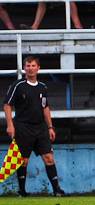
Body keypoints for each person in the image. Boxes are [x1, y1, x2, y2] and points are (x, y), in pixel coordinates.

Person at [3, 56, 66, 196]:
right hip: (23, 127)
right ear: (24, 68)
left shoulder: (42, 87)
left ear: (38, 68)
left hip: (40, 128)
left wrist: (50, 127)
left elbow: (45, 107)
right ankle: (22, 191)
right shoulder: (18, 85)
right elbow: (7, 105)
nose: (30, 68)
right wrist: (10, 125)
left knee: (49, 157)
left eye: (33, 65)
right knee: (24, 160)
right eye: (28, 66)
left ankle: (57, 190)